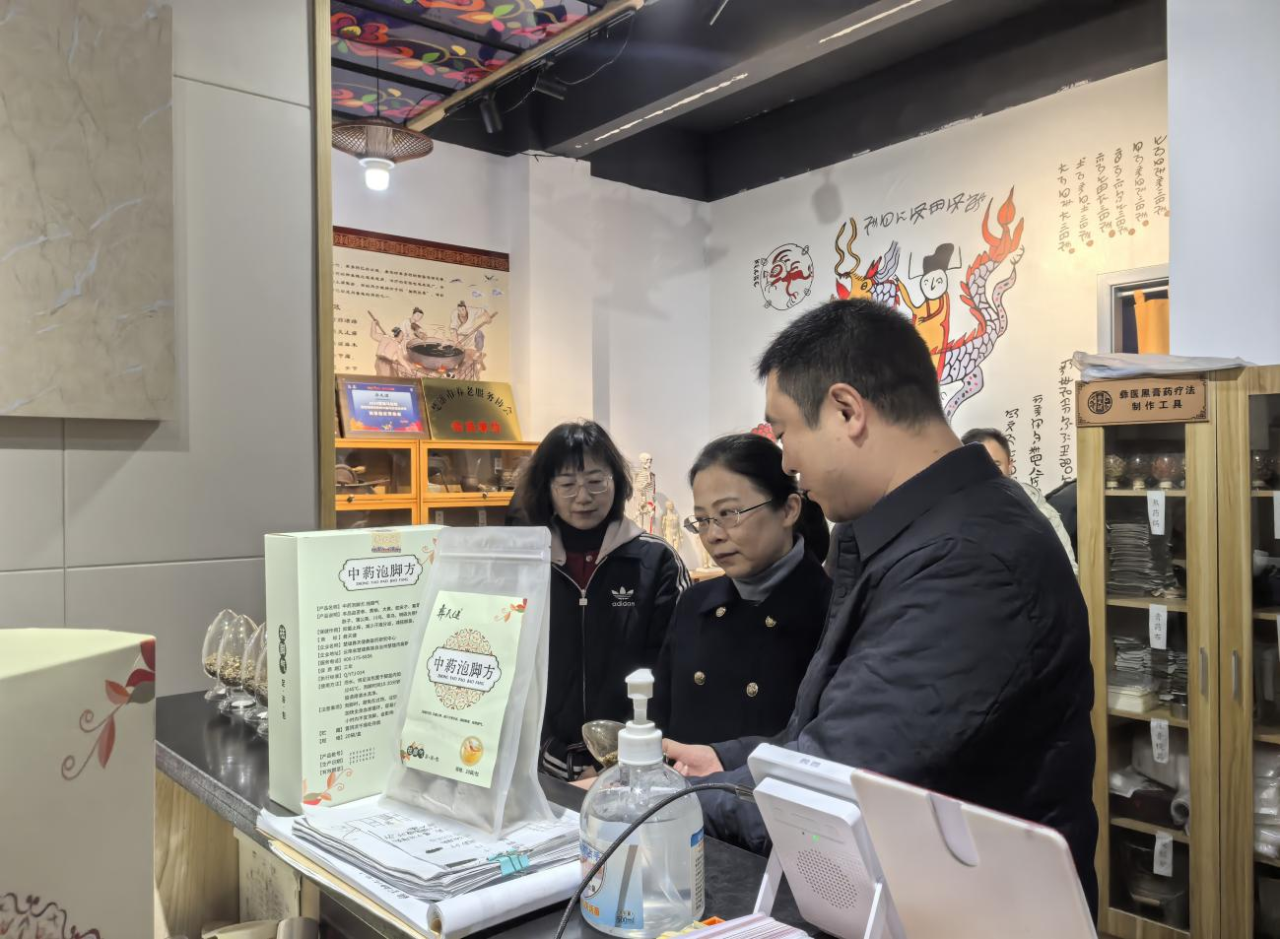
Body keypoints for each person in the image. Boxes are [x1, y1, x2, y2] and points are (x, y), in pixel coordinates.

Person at [664, 298, 1097, 916]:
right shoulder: (906, 534)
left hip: (976, 916)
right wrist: (725, 761)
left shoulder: (969, 562)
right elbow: (836, 728)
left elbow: (838, 783)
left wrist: (669, 800)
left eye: (784, 433)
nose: (786, 462)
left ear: (847, 411)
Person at [512, 420, 688, 780]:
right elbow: (510, 668)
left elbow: (673, 670)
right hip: (539, 764)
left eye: (596, 481)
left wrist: (622, 758)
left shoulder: (656, 561)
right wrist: (544, 753)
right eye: (567, 484)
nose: (583, 497)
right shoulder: (524, 562)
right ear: (547, 489)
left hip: (635, 762)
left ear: (616, 482)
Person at [651, 433, 831, 746]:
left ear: (789, 510)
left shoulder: (830, 609)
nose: (713, 535)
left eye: (728, 513)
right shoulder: (695, 603)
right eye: (702, 520)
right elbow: (660, 721)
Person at [960, 427, 1078, 575]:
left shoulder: (1040, 512)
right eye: (977, 464)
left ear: (1010, 465)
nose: (987, 472)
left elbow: (1069, 572)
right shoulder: (948, 514)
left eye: (996, 464)